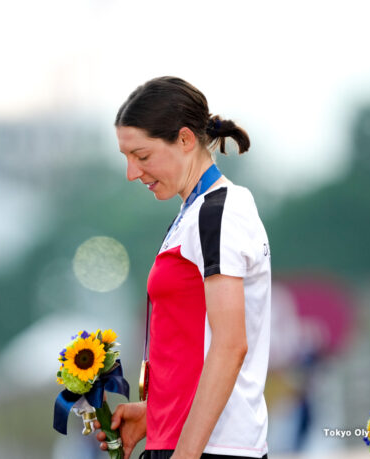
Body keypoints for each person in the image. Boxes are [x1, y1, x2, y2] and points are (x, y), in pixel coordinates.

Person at [95, 76, 271, 459]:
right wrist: (153, 415)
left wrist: (185, 455)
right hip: (184, 442)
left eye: (142, 156)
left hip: (213, 448)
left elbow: (229, 345)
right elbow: (192, 345)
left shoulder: (218, 212)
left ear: (186, 140)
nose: (132, 172)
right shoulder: (191, 215)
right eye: (126, 158)